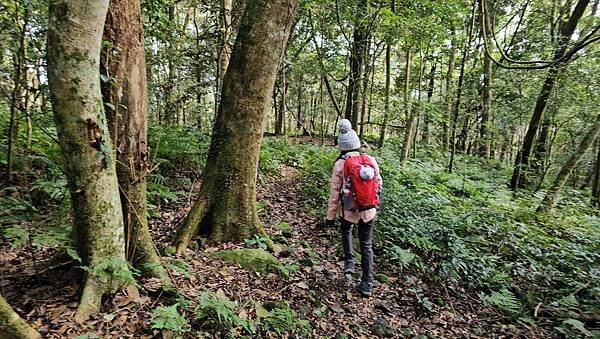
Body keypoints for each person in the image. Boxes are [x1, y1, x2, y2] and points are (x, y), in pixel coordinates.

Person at [325, 119, 382, 297]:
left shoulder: (340, 164)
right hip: (369, 210)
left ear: (341, 147)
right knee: (366, 246)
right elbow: (379, 183)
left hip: (349, 210)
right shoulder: (370, 159)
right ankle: (367, 283)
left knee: (346, 231)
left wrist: (330, 216)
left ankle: (349, 262)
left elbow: (335, 193)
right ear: (357, 144)